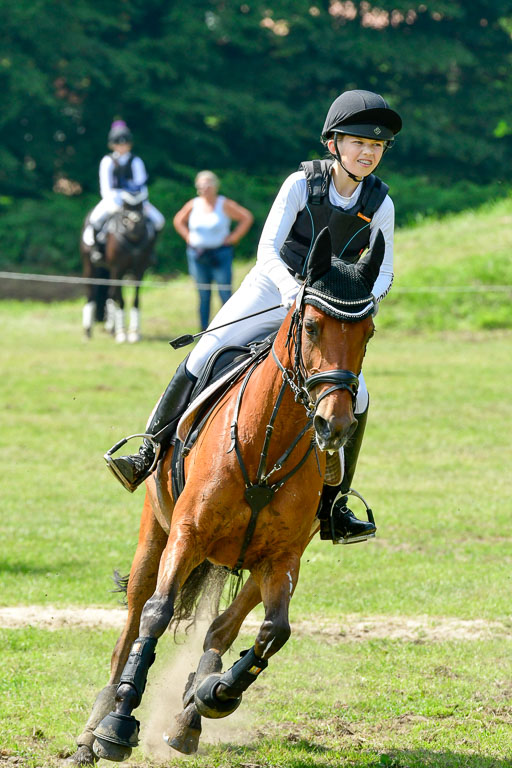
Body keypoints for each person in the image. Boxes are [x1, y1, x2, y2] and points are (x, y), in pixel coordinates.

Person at [106, 89, 402, 543]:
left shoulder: (381, 203)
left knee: (357, 394)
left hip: (327, 306)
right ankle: (148, 448)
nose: (368, 152)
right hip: (273, 287)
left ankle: (335, 504)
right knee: (207, 351)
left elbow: (384, 271)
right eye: (359, 142)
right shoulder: (300, 184)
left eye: (377, 146)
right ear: (333, 143)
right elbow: (267, 249)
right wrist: (290, 290)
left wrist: (363, 300)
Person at [173, 171, 254, 330]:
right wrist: (188, 236)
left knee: (224, 293)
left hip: (220, 254)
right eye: (202, 185)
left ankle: (229, 329)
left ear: (215, 186)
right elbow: (178, 220)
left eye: (208, 185)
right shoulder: (193, 204)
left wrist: (234, 237)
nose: (205, 188)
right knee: (203, 295)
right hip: (198, 255)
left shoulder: (224, 204)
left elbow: (246, 217)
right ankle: (204, 331)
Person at [82, 120, 165, 253]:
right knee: (95, 219)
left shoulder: (136, 161)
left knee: (159, 220)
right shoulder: (107, 161)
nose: (122, 147)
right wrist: (111, 202)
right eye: (118, 144)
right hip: (114, 199)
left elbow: (141, 184)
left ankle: (150, 250)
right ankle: (96, 249)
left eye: (125, 143)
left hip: (136, 199)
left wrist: (143, 200)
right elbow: (105, 186)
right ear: (113, 145)